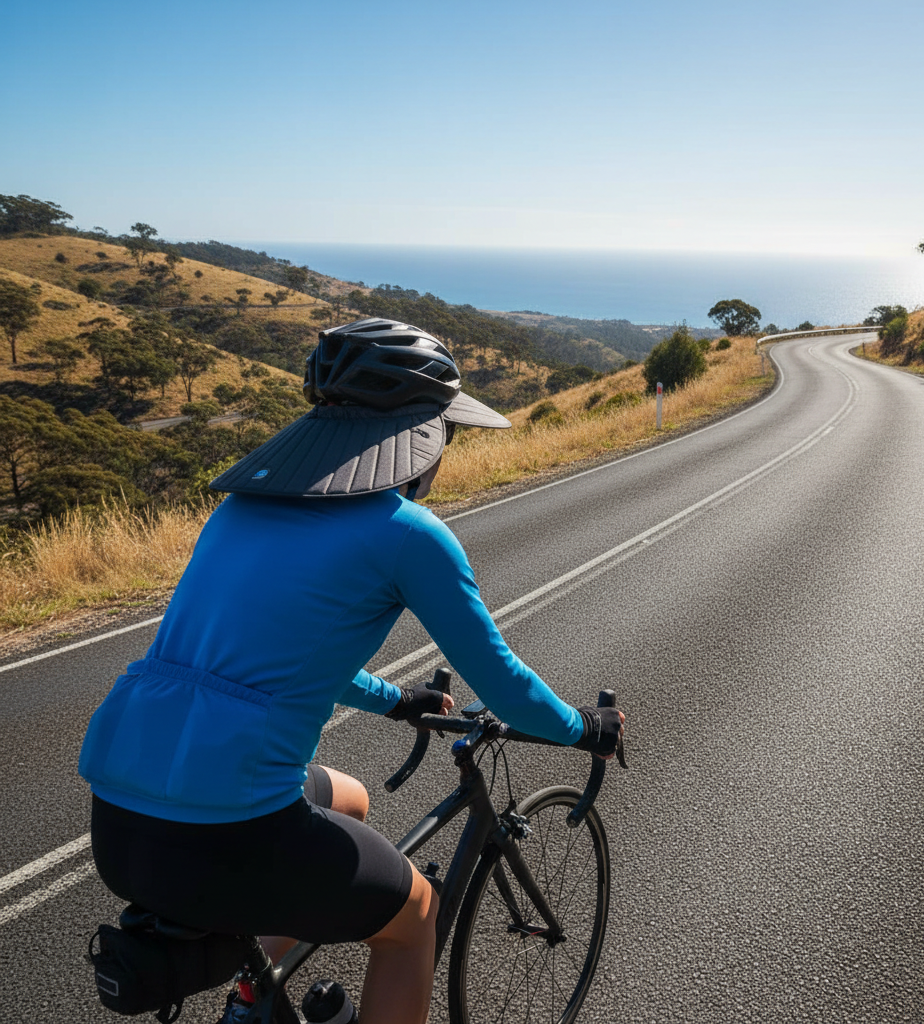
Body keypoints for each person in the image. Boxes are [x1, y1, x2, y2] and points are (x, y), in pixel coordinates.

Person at [79, 317, 625, 1024]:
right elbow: (504, 686)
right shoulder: (405, 533)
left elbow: (276, 659)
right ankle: (260, 988)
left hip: (119, 822)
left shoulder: (240, 509)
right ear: (425, 437)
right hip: (231, 830)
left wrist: (395, 698)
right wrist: (586, 728)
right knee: (415, 919)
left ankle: (255, 993)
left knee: (348, 798)